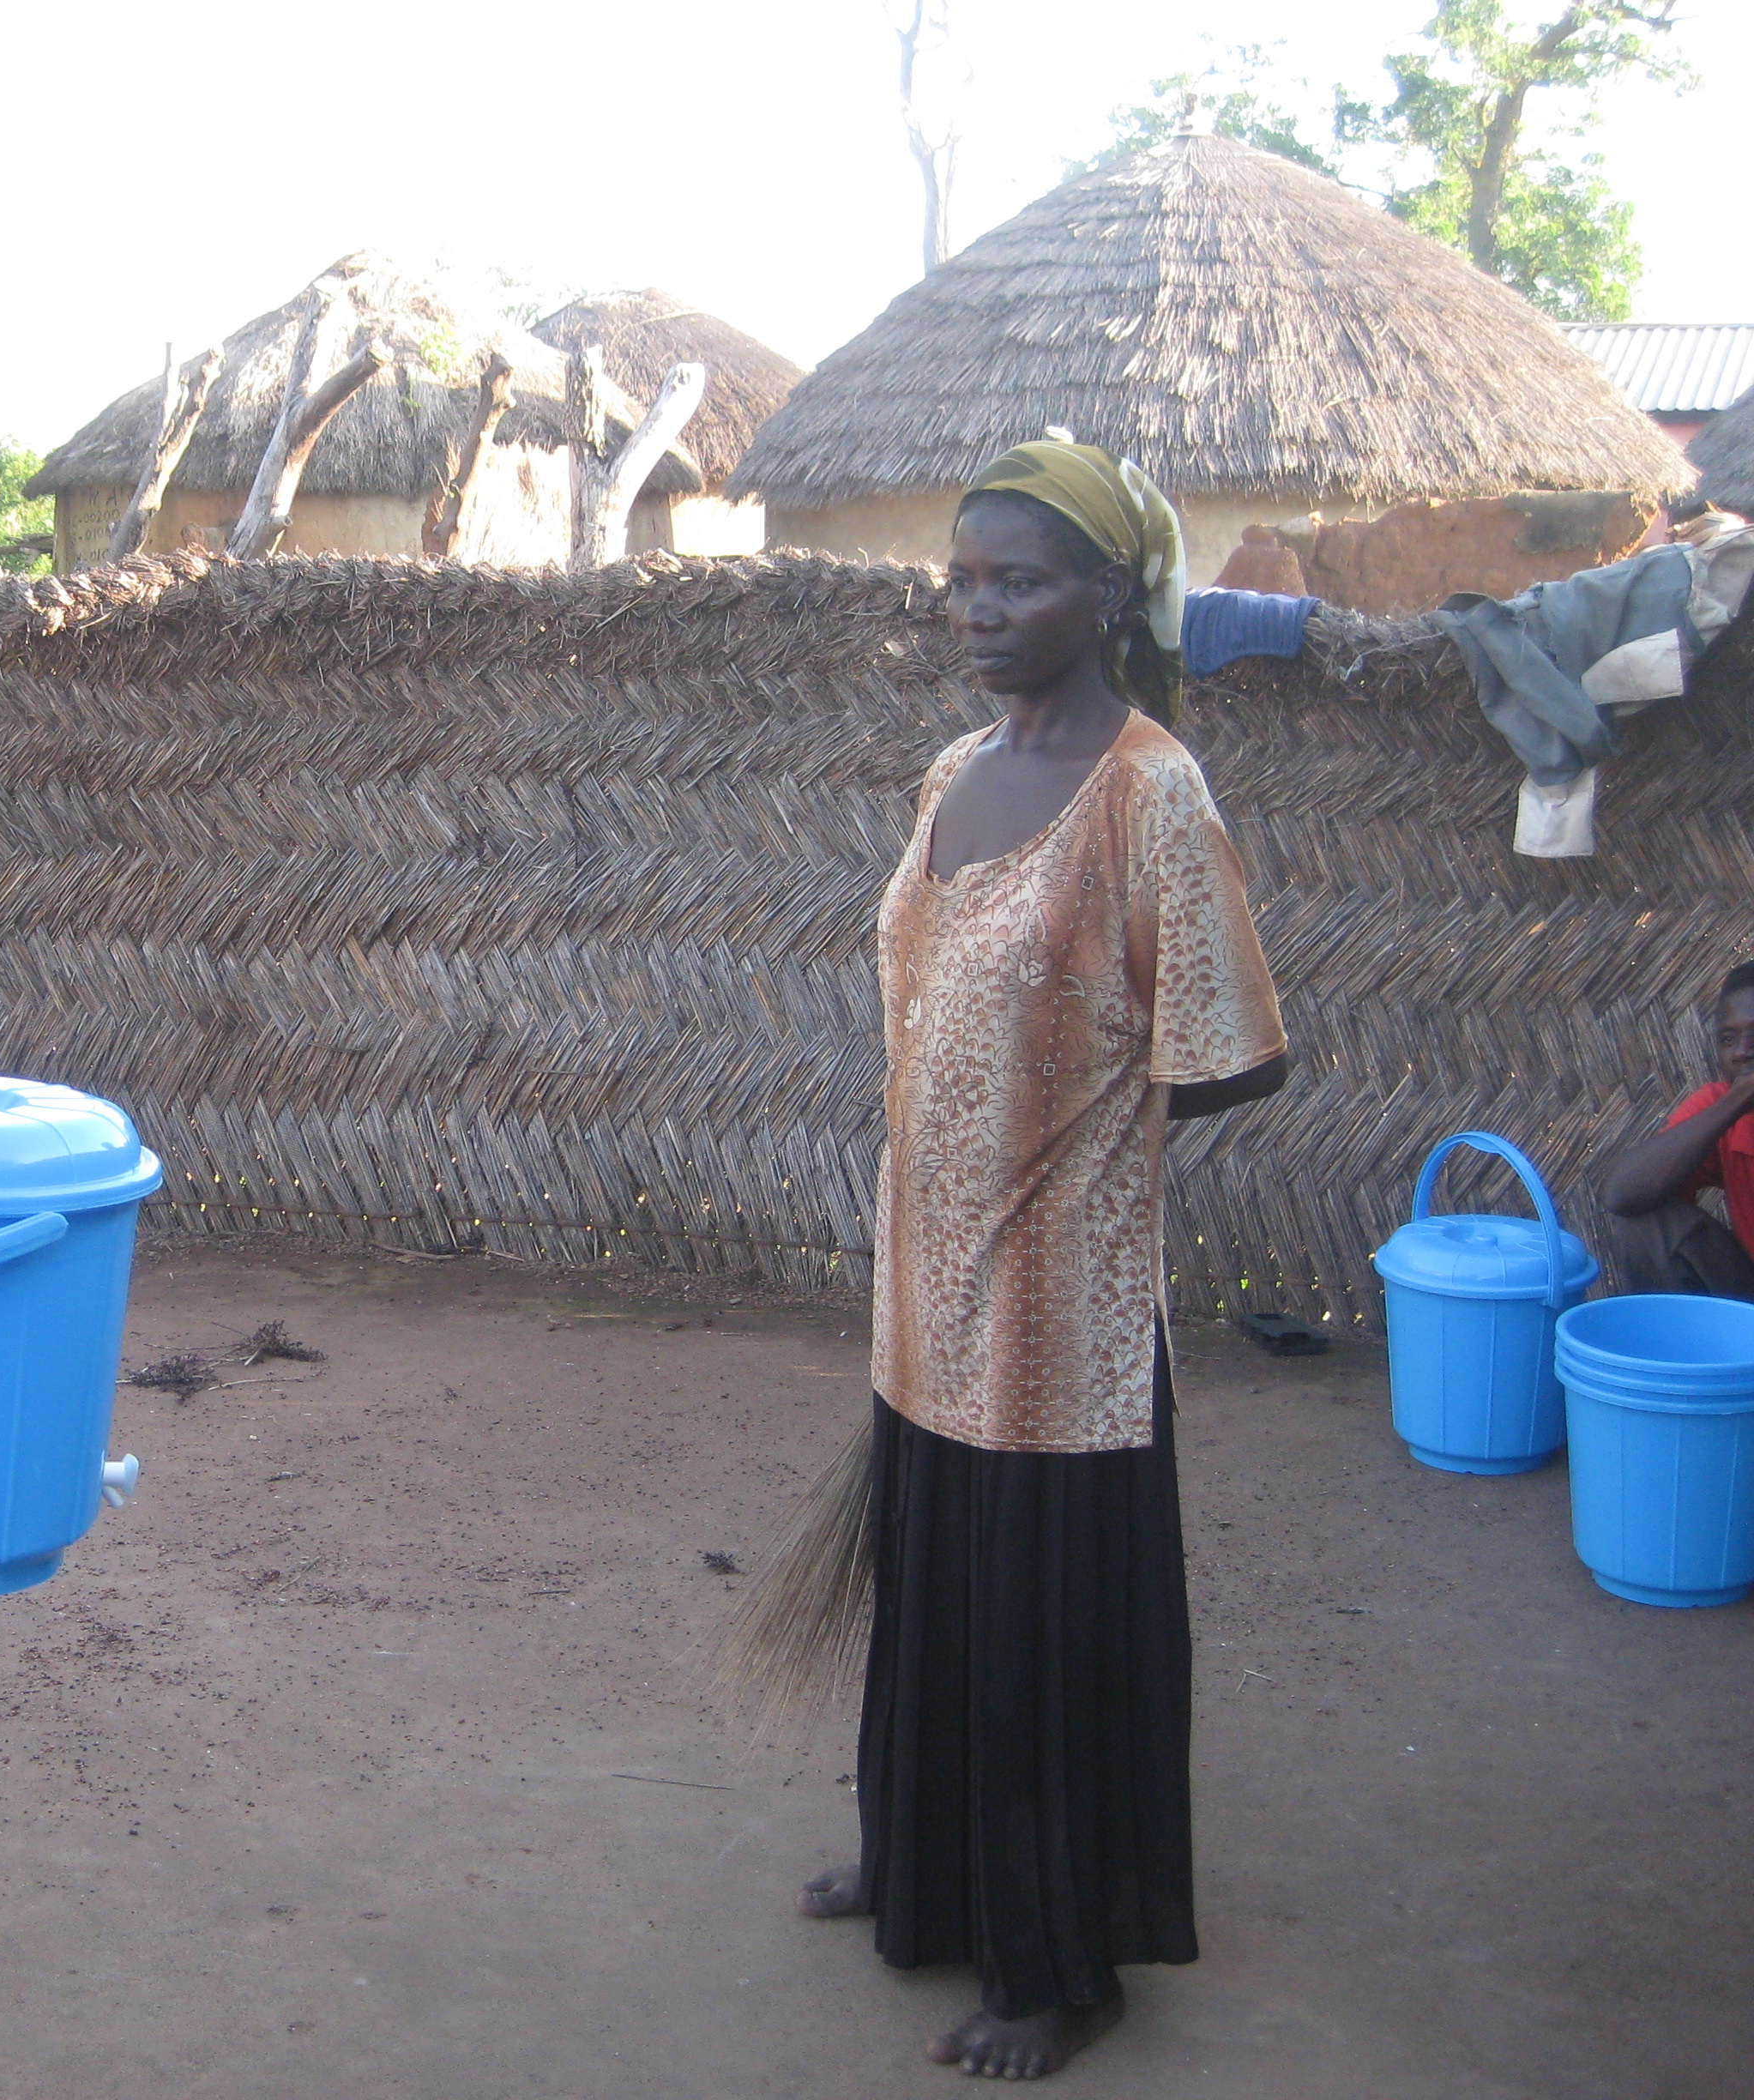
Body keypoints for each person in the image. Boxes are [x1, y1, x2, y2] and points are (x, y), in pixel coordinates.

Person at [795, 439, 1289, 2079]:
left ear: (1107, 594)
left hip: (1058, 1306)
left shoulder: (1147, 789)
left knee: (1038, 1628)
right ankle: (928, 1870)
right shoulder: (952, 769)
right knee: (932, 1584)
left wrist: (1078, 1120)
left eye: (1018, 579)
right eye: (964, 578)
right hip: (923, 1282)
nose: (979, 608)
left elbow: (1230, 1045)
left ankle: (1058, 1959)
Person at [1595, 962, 1754, 1299]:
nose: (1742, 1052)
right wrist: (1738, 1099)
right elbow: (1621, 1194)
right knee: (1645, 1224)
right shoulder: (1722, 1106)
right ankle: (1673, 1349)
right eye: (1729, 1039)